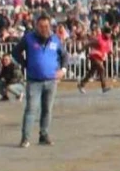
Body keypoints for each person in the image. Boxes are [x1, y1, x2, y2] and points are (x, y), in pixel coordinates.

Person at [11, 14, 68, 148]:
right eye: (41, 26)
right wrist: (25, 63)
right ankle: (25, 138)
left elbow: (64, 55)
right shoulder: (29, 38)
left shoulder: (55, 39)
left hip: (51, 81)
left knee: (47, 109)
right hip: (34, 81)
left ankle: (44, 135)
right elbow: (15, 52)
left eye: (46, 26)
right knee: (31, 109)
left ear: (50, 26)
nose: (44, 29)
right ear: (37, 26)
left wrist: (63, 70)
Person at [78, 26, 112, 93]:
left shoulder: (109, 40)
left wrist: (110, 52)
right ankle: (104, 87)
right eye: (108, 33)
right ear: (104, 33)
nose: (109, 35)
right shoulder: (99, 39)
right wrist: (81, 50)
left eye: (110, 33)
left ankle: (81, 84)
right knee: (102, 69)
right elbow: (88, 44)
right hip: (94, 56)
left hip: (100, 57)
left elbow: (107, 49)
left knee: (91, 72)